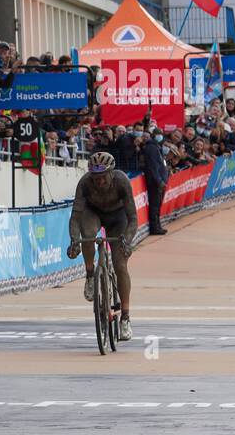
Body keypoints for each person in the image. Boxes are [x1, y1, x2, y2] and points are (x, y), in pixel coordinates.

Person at [66, 151, 138, 341]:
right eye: (95, 178)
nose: (99, 182)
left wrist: (127, 240)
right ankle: (90, 275)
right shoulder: (84, 183)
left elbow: (133, 218)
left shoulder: (122, 182)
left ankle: (125, 317)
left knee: (120, 264)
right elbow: (75, 217)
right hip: (93, 212)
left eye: (103, 177)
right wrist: (74, 240)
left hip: (118, 218)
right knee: (88, 236)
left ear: (111, 173)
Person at [141, 128, 170, 235]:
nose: (160, 136)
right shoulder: (152, 148)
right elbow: (153, 167)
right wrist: (159, 181)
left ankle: (157, 226)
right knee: (154, 205)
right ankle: (155, 227)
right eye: (158, 134)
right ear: (154, 135)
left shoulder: (156, 147)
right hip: (155, 182)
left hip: (159, 181)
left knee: (157, 205)